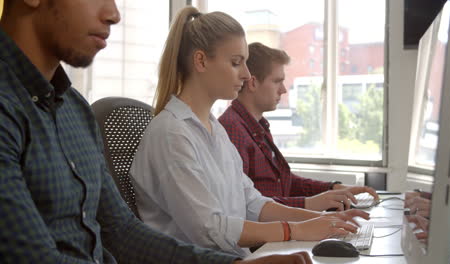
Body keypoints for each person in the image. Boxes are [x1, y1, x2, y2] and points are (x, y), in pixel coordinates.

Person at [0, 1, 313, 263]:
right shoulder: (8, 108)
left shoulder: (74, 110)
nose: (114, 13)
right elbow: (35, 258)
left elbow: (121, 232)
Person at [130, 6, 370, 257]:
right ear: (200, 61)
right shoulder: (171, 134)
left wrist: (322, 220)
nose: (246, 74)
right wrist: (295, 230)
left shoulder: (213, 130)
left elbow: (252, 202)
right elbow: (209, 228)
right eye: (236, 63)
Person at [218, 42, 379, 212]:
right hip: (265, 235)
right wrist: (309, 205)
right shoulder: (231, 130)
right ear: (252, 83)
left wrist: (333, 189)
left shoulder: (258, 126)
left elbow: (285, 183)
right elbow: (245, 206)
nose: (283, 90)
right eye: (277, 81)